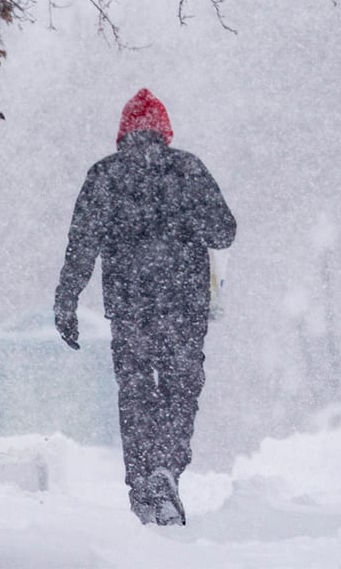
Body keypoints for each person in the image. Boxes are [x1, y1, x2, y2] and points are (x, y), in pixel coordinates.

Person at [54, 88, 236, 526]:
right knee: (179, 391)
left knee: (135, 394)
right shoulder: (188, 170)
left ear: (123, 133)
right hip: (183, 307)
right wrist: (185, 216)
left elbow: (82, 245)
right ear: (165, 131)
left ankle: (143, 483)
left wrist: (67, 300)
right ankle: (166, 469)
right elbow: (223, 232)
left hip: (130, 308)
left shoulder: (105, 176)